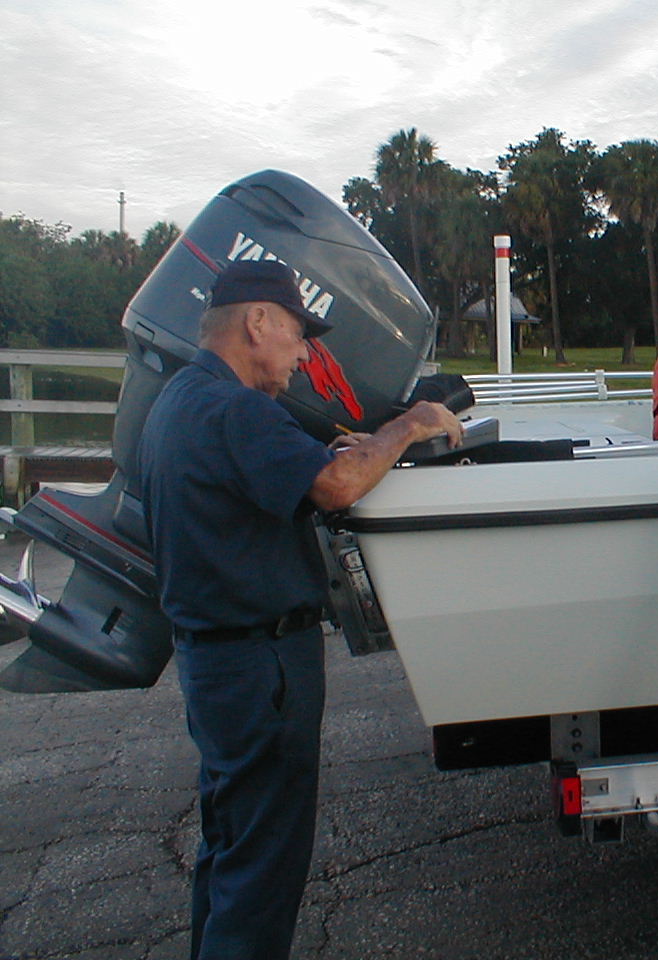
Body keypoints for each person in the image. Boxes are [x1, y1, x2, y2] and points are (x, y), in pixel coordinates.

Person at [138, 259, 462, 960]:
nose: (304, 352)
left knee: (230, 849)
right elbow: (338, 484)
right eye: (296, 332)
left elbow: (292, 470)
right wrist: (409, 424)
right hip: (260, 669)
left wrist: (345, 446)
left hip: (215, 663)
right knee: (263, 872)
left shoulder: (181, 399)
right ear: (257, 322)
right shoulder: (237, 409)